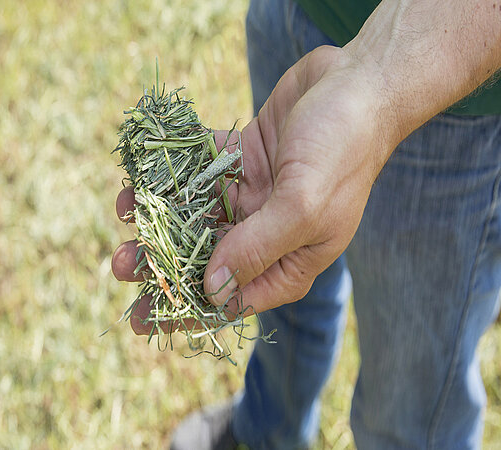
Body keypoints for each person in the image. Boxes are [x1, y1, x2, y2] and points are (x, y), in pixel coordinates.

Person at [112, 0, 501, 448]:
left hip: (441, 85)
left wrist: (377, 79)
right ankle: (267, 430)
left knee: (407, 404)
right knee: (281, 284)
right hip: (295, 14)